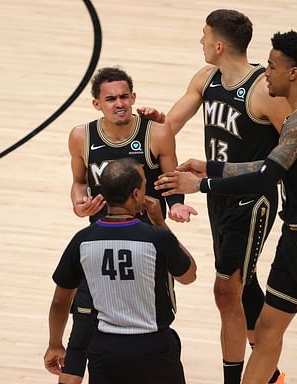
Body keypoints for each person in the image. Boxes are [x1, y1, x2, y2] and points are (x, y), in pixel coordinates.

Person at [155, 30, 297, 384]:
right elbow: (266, 164)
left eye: (272, 67)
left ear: (293, 73)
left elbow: (266, 175)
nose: (265, 74)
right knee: (265, 332)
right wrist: (210, 166)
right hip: (295, 238)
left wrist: (202, 184)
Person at [139, 9, 290, 384]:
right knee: (244, 281)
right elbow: (170, 124)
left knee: (226, 290)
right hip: (217, 196)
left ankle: (238, 379)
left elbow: (288, 156)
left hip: (252, 200)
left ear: (219, 45)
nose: (201, 41)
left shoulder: (263, 91)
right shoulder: (206, 78)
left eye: (204, 35)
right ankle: (268, 374)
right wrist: (153, 124)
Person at [61, 66, 198, 384]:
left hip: (147, 237)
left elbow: (171, 178)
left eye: (124, 96)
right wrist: (79, 205)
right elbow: (79, 182)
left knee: (154, 310)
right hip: (102, 236)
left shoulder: (157, 133)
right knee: (84, 312)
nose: (119, 103)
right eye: (110, 99)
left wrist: (176, 204)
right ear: (97, 104)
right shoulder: (81, 136)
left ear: (134, 97)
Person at [44, 157, 197, 384]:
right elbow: (188, 275)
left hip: (105, 350)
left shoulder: (82, 240)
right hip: (154, 348)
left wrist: (55, 344)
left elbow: (59, 302)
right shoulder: (156, 238)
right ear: (136, 194)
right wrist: (160, 223)